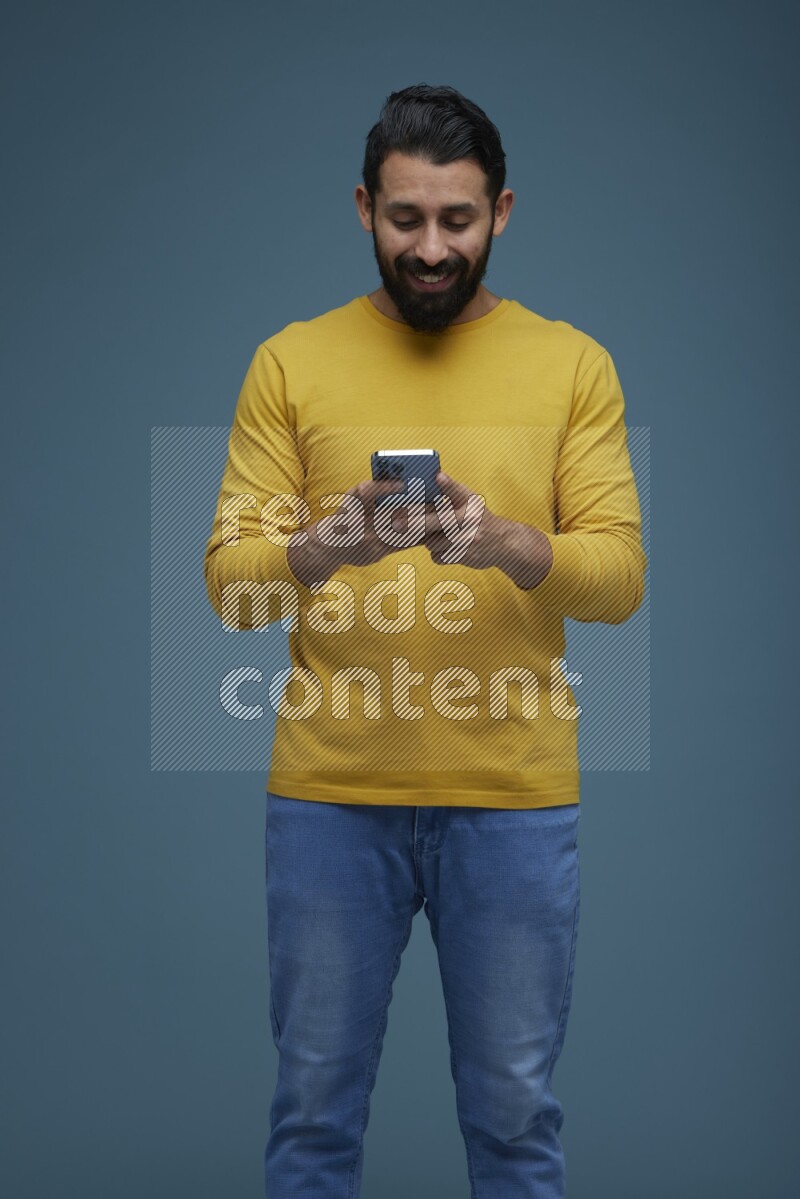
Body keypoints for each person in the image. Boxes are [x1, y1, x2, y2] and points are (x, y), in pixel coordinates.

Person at [204, 83, 646, 1199]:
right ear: (363, 208)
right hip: (327, 800)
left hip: (511, 800)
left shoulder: (573, 365)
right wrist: (325, 549)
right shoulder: (289, 363)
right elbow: (231, 593)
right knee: (311, 1113)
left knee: (511, 1117)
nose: (433, 246)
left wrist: (502, 541)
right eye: (407, 218)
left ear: (503, 211)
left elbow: (619, 580)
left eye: (458, 218)